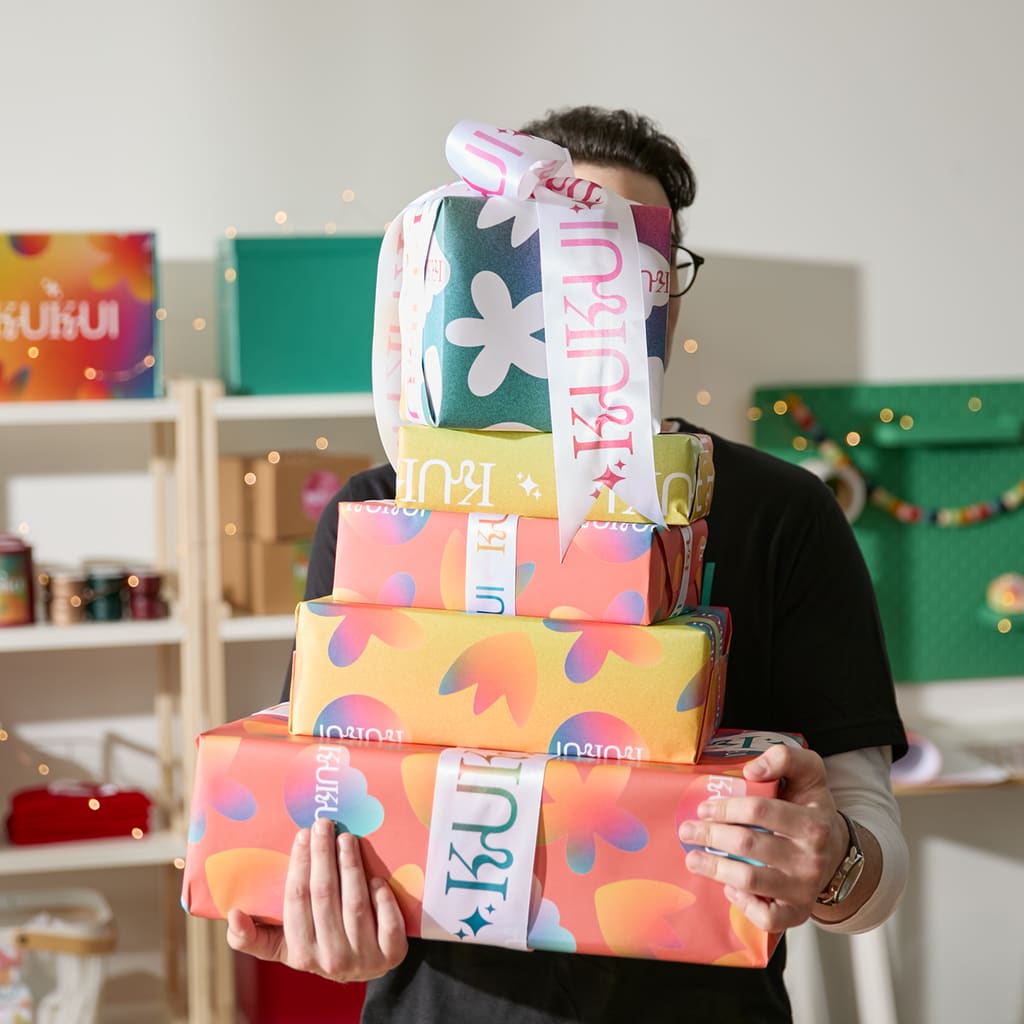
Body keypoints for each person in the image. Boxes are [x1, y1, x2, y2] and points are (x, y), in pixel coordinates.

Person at [227, 106, 909, 1022]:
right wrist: (328, 925)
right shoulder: (381, 514)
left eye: (637, 260)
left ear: (671, 290)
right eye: (568, 253)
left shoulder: (782, 512)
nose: (604, 293)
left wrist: (834, 864)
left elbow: (871, 847)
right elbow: (326, 794)